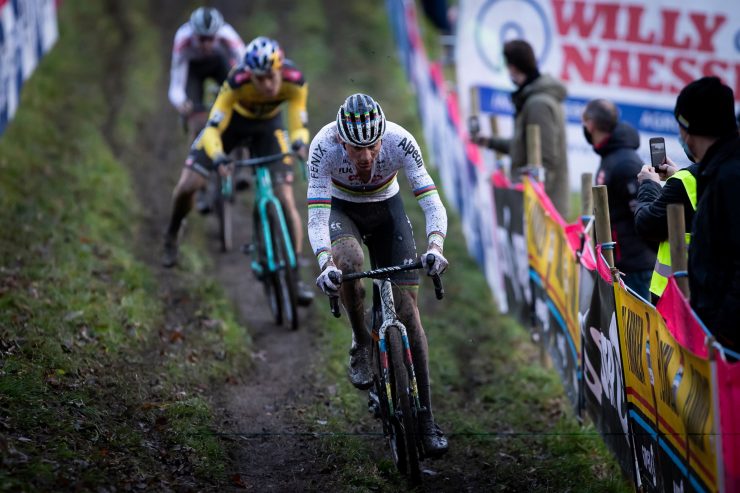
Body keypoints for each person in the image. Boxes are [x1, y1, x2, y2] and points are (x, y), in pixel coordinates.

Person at [307, 93, 449, 456]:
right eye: (356, 149)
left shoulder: (401, 141)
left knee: (408, 314)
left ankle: (428, 419)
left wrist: (435, 247)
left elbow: (431, 200)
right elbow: (318, 217)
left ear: (382, 137)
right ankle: (361, 342)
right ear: (341, 141)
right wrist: (326, 263)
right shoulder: (323, 147)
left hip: (388, 211)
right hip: (342, 211)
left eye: (372, 146)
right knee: (349, 261)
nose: (366, 156)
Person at [162, 36, 314, 306]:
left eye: (271, 77)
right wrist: (219, 157)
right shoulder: (235, 83)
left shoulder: (294, 80)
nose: (267, 85)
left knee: (285, 198)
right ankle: (172, 234)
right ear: (249, 74)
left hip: (268, 129)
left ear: (279, 69)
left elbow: (297, 122)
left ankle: (295, 276)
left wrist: (300, 141)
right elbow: (212, 129)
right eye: (259, 79)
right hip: (232, 126)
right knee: (188, 186)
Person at [674, 76, 740, 352]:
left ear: (687, 129)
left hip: (726, 340)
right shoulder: (716, 169)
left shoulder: (731, 176)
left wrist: (723, 332)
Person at [472, 39, 569, 217]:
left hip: (543, 212)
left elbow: (546, 160)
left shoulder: (537, 104)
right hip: (540, 207)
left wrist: (534, 208)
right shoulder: (534, 99)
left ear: (513, 67)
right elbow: (525, 148)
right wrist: (490, 142)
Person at [582, 99, 656, 299]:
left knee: (640, 331)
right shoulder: (611, 155)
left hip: (634, 269)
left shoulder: (624, 162)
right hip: (620, 266)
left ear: (590, 124)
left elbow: (643, 216)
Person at [168, 7, 245, 137]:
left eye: (211, 38)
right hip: (194, 70)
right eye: (202, 39)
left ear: (218, 33)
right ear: (193, 33)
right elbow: (176, 84)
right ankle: (196, 148)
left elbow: (244, 65)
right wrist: (181, 102)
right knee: (195, 115)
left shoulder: (227, 35)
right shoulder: (183, 39)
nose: (206, 44)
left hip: (220, 64)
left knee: (237, 98)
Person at [634, 155, 697, 302]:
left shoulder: (684, 181)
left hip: (677, 299)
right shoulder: (725, 171)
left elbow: (647, 225)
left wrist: (649, 186)